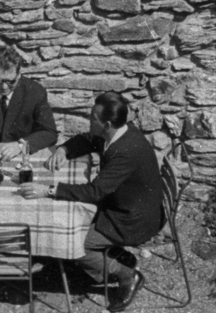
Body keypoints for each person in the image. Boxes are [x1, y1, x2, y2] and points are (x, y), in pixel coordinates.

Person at [20, 91, 162, 313]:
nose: (89, 121)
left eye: (92, 119)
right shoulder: (120, 133)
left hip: (132, 219)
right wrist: (64, 149)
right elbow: (88, 140)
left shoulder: (124, 152)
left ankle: (128, 276)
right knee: (73, 220)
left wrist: (48, 189)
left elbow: (94, 191)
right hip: (124, 204)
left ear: (106, 125)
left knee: (76, 241)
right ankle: (109, 254)